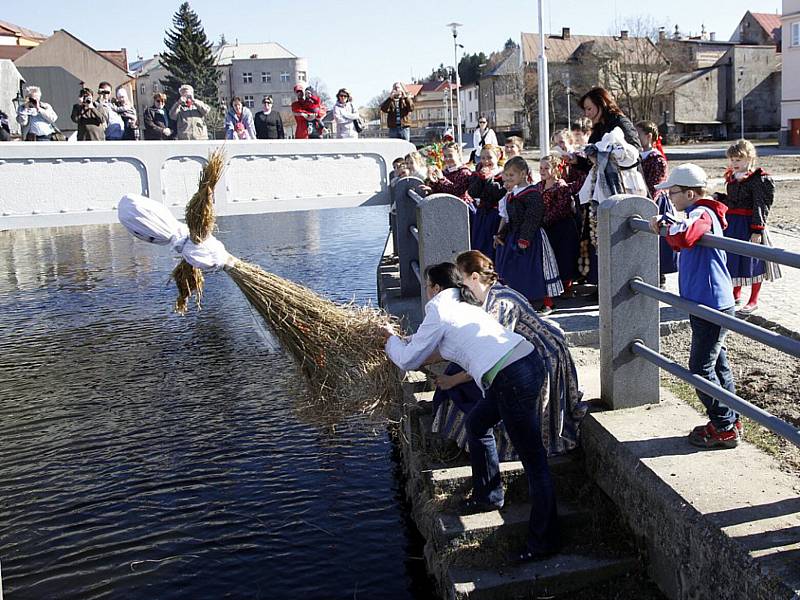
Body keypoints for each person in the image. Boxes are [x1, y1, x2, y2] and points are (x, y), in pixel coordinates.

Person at [381, 262, 559, 562]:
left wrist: (388, 339)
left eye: (427, 285)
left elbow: (409, 361)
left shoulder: (439, 308)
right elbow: (440, 347)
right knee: (476, 424)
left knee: (534, 461)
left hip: (511, 377)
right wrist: (402, 342)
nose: (426, 291)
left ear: (435, 287)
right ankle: (489, 496)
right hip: (522, 365)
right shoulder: (463, 305)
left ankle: (544, 541)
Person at [648, 164, 741, 449]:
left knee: (700, 368)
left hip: (710, 303)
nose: (670, 198)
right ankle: (730, 418)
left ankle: (724, 426)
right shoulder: (694, 212)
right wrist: (668, 224)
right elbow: (680, 233)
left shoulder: (701, 212)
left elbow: (684, 236)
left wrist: (665, 228)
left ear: (689, 193)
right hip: (708, 300)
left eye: (673, 193)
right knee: (718, 364)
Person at [714, 139, 781, 315]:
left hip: (749, 224)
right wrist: (720, 198)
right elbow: (733, 201)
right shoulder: (732, 178)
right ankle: (735, 293)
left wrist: (757, 229)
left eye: (738, 159)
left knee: (753, 260)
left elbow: (761, 204)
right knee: (733, 258)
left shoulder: (759, 179)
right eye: (732, 159)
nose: (734, 163)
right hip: (732, 224)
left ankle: (753, 299)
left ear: (749, 158)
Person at [495, 156, 563, 314]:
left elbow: (533, 217)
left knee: (536, 269)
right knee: (517, 271)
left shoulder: (532, 193)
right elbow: (510, 219)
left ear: (523, 173)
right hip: (515, 236)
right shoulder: (512, 194)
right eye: (507, 175)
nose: (509, 178)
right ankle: (520, 301)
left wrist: (524, 238)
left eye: (512, 175)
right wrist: (502, 234)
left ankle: (546, 303)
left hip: (531, 238)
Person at [637, 120, 678, 284]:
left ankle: (659, 275)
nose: (635, 137)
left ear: (648, 136)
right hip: (641, 198)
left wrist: (648, 203)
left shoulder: (656, 158)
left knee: (658, 239)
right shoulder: (637, 155)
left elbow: (657, 184)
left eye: (638, 134)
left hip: (655, 202)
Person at [536, 154, 579, 295]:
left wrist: (544, 221)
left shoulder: (560, 186)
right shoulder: (539, 186)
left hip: (562, 227)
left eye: (546, 168)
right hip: (546, 227)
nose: (542, 171)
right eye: (541, 168)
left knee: (564, 256)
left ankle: (567, 286)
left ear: (555, 169)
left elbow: (560, 209)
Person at [467, 144, 505, 261]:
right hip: (482, 213)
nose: (486, 161)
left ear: (497, 157)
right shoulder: (477, 173)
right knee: (479, 244)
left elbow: (498, 194)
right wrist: (480, 178)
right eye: (483, 158)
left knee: (491, 246)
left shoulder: (502, 174)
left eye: (489, 158)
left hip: (495, 214)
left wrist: (488, 179)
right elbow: (473, 192)